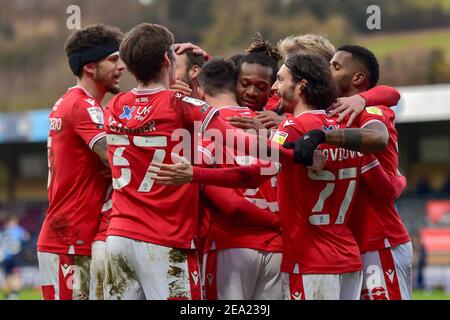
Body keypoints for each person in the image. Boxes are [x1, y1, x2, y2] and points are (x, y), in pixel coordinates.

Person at [291, 45, 412, 300]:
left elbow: (378, 136)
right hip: (351, 246)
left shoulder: (370, 110)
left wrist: (363, 100)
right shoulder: (332, 114)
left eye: (335, 67)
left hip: (379, 240)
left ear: (357, 79)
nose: (327, 72)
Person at [37, 24, 125, 300]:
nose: (122, 67)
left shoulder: (71, 101)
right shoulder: (82, 106)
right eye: (113, 59)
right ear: (89, 67)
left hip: (69, 235)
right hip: (70, 238)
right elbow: (117, 160)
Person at [196, 58, 283, 300]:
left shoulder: (205, 130)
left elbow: (230, 203)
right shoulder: (273, 127)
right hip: (277, 248)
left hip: (230, 245)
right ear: (236, 86)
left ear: (200, 92)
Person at [0, 215, 30, 300]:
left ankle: (7, 295)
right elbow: (26, 237)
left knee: (6, 276)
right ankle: (14, 295)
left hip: (4, 257)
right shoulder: (18, 229)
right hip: (15, 256)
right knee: (16, 275)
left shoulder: (3, 231)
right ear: (14, 221)